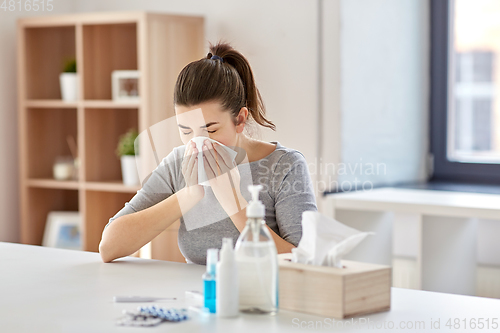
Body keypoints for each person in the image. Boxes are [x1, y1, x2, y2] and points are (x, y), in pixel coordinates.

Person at [99, 42, 318, 264]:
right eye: (185, 130)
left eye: (210, 130)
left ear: (240, 119)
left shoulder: (284, 166)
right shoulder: (179, 162)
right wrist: (188, 195)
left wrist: (233, 202)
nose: (197, 143)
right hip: (198, 296)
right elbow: (108, 247)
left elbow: (305, 262)